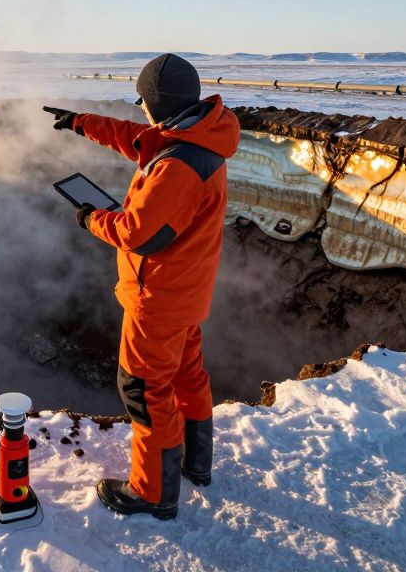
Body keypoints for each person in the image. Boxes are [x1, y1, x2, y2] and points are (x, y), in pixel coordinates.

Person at [45, 53, 239, 520]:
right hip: (187, 293)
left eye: (142, 101)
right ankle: (196, 466)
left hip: (158, 300)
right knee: (187, 378)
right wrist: (81, 123)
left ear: (155, 102)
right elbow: (138, 140)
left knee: (144, 391)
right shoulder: (194, 136)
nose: (140, 111)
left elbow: (140, 233)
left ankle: (153, 493)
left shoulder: (178, 166)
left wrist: (93, 218)